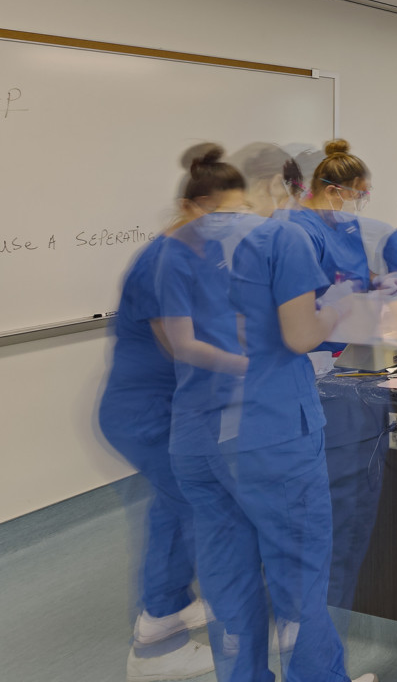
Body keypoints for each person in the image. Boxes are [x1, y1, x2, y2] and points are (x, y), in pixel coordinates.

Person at [158, 144, 376, 682]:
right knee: (298, 576)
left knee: (228, 578)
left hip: (197, 438)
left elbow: (175, 342)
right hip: (270, 435)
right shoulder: (282, 236)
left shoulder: (175, 243)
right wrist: (340, 308)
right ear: (281, 185)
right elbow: (300, 336)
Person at [99, 199, 216, 682]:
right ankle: (157, 646)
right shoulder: (161, 262)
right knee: (189, 502)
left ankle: (174, 605)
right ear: (194, 207)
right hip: (144, 414)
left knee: (173, 505)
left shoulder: (190, 256)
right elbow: (181, 346)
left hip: (165, 409)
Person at [274, 140, 375, 289]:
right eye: (355, 196)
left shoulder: (347, 224)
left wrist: (378, 280)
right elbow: (296, 288)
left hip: (354, 309)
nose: (357, 204)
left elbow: (357, 269)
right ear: (330, 191)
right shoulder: (300, 229)